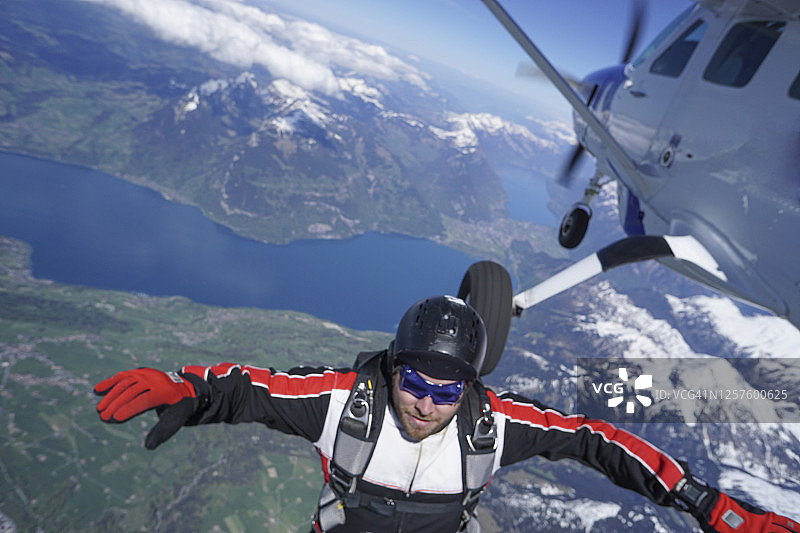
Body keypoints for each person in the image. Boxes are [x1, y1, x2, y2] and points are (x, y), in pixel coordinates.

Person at [95, 295, 798, 533]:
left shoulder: (491, 424)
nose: (426, 404)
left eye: (447, 391)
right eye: (415, 382)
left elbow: (595, 439)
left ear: (470, 387)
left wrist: (710, 506)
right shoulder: (348, 398)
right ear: (393, 364)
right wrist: (188, 389)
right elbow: (254, 387)